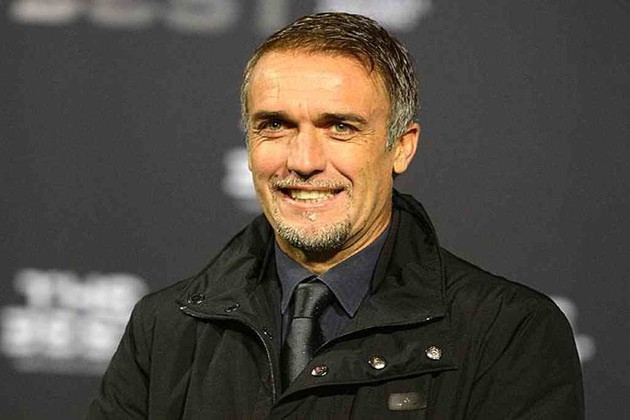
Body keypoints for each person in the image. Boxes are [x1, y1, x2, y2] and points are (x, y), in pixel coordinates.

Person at [88, 12, 584, 419]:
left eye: (340, 127)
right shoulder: (164, 329)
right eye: (275, 125)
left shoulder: (509, 335)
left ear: (401, 146)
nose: (304, 161)